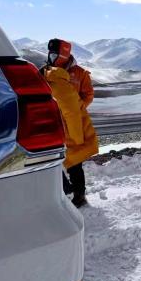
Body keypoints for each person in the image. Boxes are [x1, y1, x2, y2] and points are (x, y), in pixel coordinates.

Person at [42, 38, 99, 207]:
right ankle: (64, 189)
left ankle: (79, 195)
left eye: (55, 54)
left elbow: (88, 95)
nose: (51, 57)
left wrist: (77, 109)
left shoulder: (80, 73)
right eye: (50, 53)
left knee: (75, 159)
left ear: (64, 55)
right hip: (53, 122)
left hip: (73, 123)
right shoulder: (46, 71)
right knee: (51, 156)